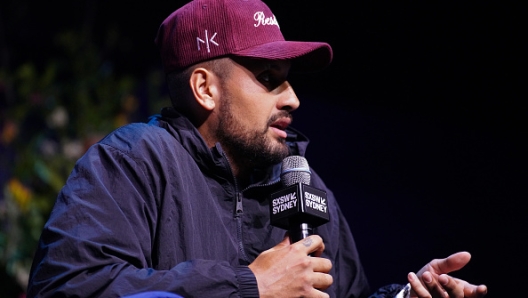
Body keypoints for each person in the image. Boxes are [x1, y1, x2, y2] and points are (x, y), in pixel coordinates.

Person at [26, 0, 488, 297]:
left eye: (289, 79)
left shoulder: (302, 182)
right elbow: (69, 287)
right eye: (269, 79)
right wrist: (249, 285)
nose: (293, 98)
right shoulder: (133, 161)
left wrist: (407, 295)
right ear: (206, 89)